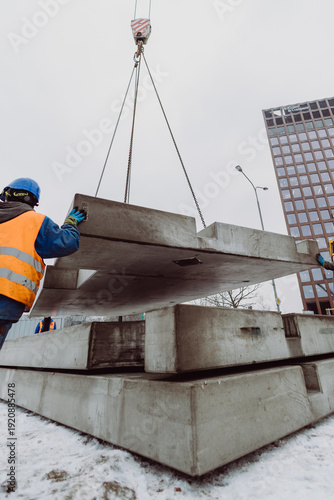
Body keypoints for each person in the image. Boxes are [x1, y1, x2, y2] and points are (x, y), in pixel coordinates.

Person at [0, 177, 86, 349]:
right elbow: (67, 242)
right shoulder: (35, 222)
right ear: (33, 201)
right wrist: (70, 224)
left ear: (7, 195)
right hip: (7, 298)